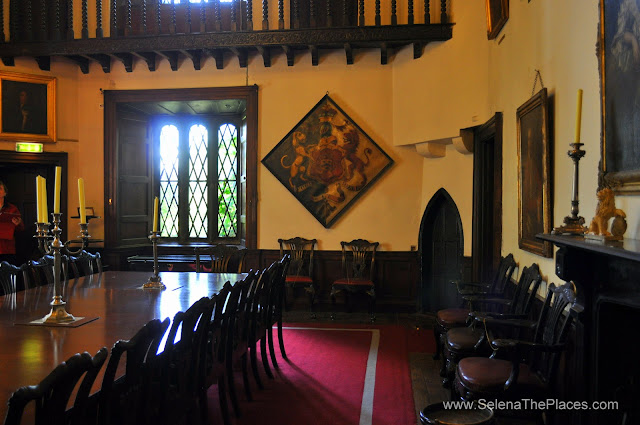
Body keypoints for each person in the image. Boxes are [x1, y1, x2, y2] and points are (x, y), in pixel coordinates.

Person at [0, 181, 24, 265]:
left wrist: (18, 223)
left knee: (8, 273)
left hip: (7, 248)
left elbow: (21, 228)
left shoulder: (12, 208)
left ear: (5, 193)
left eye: (0, 189)